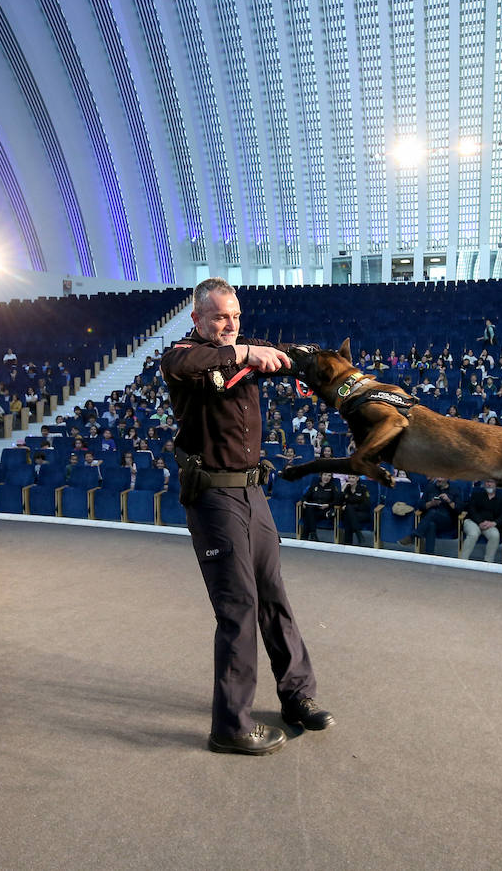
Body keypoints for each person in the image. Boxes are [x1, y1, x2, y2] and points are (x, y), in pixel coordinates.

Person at [160, 278, 332, 757]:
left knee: (274, 596)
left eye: (235, 316)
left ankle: (297, 696)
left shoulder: (242, 349)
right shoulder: (186, 357)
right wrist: (245, 353)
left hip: (252, 494)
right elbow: (182, 362)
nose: (230, 325)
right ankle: (231, 726)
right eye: (219, 316)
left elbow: (286, 356)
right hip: (214, 497)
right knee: (237, 607)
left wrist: (317, 366)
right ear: (197, 319)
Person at [400, 477, 461, 553]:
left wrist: (449, 501)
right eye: (437, 476)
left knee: (432, 513)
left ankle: (414, 535)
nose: (439, 479)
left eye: (441, 477)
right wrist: (431, 503)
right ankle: (429, 555)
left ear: (447, 478)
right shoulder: (430, 487)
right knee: (431, 524)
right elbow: (420, 506)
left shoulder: (455, 489)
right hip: (429, 520)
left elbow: (459, 509)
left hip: (447, 521)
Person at [459, 479, 502, 562]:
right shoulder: (477, 495)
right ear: (484, 484)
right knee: (473, 534)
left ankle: (488, 563)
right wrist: (480, 522)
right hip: (472, 522)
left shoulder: (500, 499)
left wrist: (494, 523)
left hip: (489, 525)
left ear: (496, 485)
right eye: (487, 482)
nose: (489, 484)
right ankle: (462, 560)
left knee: (495, 535)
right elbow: (471, 510)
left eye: (491, 482)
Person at [299, 472, 341, 541]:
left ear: (331, 477)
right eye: (325, 475)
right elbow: (305, 496)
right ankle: (313, 534)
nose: (327, 477)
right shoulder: (315, 484)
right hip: (313, 508)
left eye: (329, 475)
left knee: (308, 513)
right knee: (309, 509)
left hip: (324, 510)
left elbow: (337, 500)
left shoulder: (333, 486)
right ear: (321, 476)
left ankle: (305, 535)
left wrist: (328, 505)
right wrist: (304, 501)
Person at [337, 474, 373, 546]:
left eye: (353, 477)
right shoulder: (346, 489)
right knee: (348, 513)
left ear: (357, 479)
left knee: (348, 510)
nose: (351, 479)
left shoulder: (363, 489)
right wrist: (342, 490)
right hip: (350, 514)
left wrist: (351, 507)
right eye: (349, 477)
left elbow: (366, 505)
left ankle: (348, 542)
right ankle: (358, 532)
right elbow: (338, 503)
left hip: (362, 514)